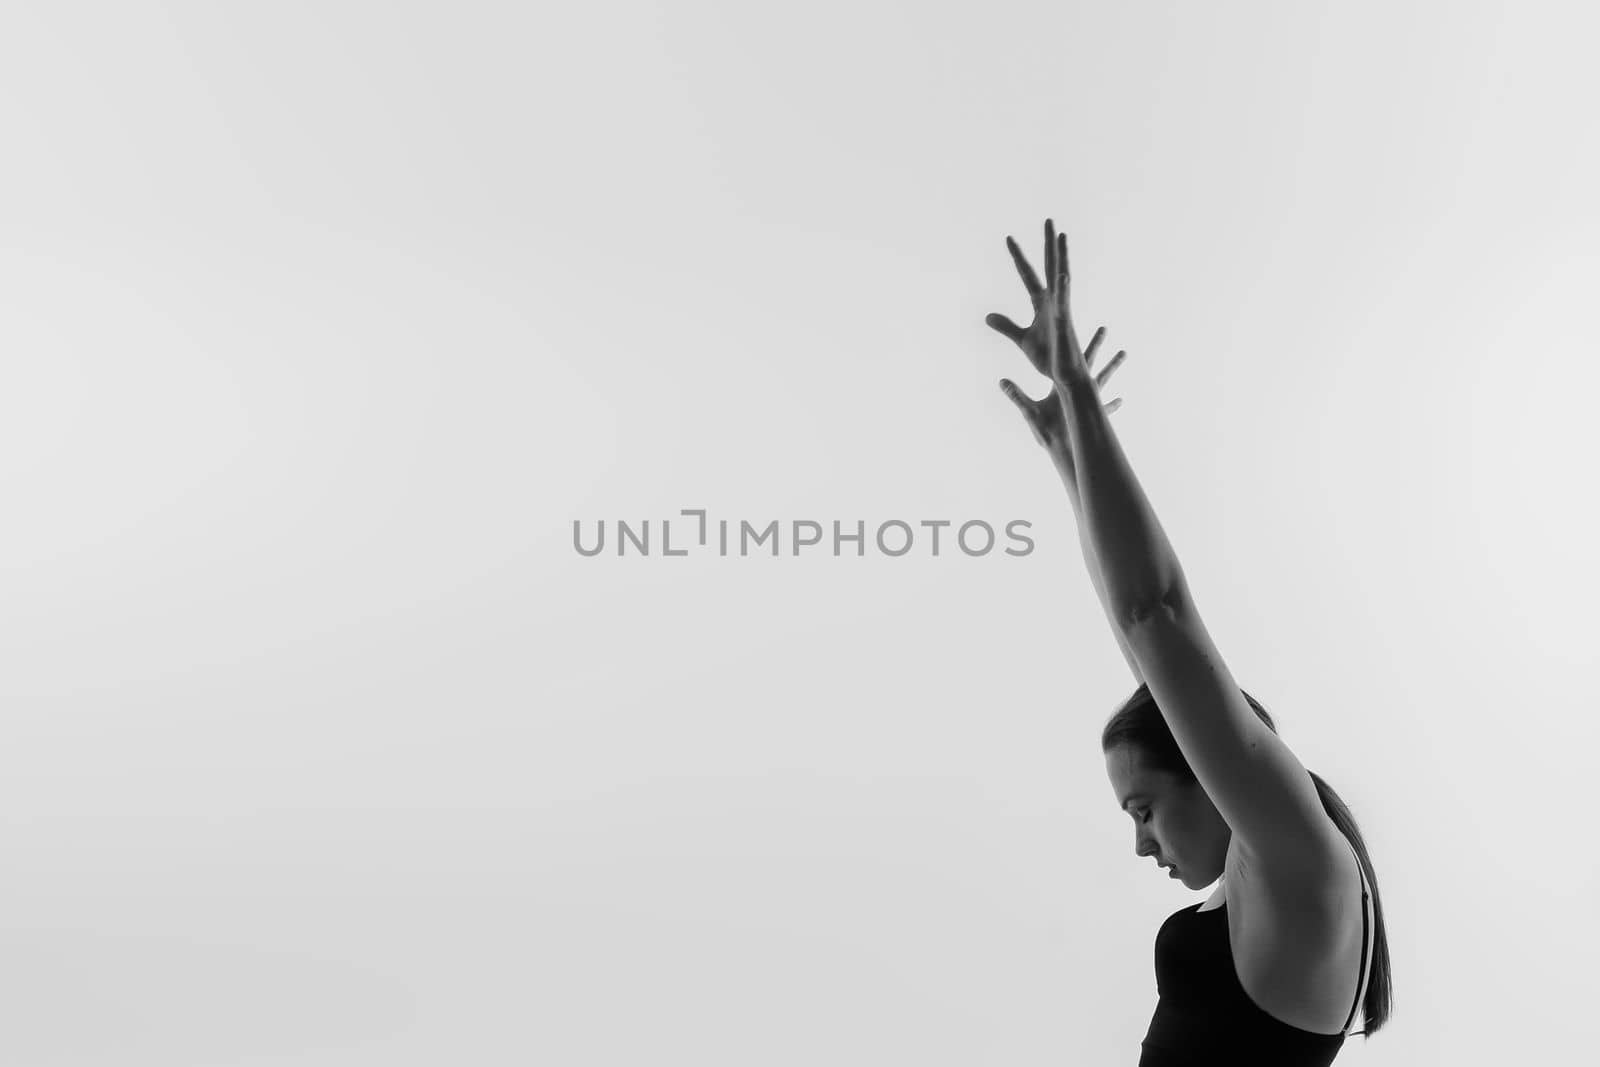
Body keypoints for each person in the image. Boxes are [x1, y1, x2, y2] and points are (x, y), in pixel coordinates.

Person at [986, 221, 1392, 1065]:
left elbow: (1157, 617)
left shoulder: (1296, 860)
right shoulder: (1271, 868)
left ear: (1203, 772)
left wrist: (1081, 397)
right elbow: (1141, 636)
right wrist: (1070, 454)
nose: (1142, 844)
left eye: (1143, 809)